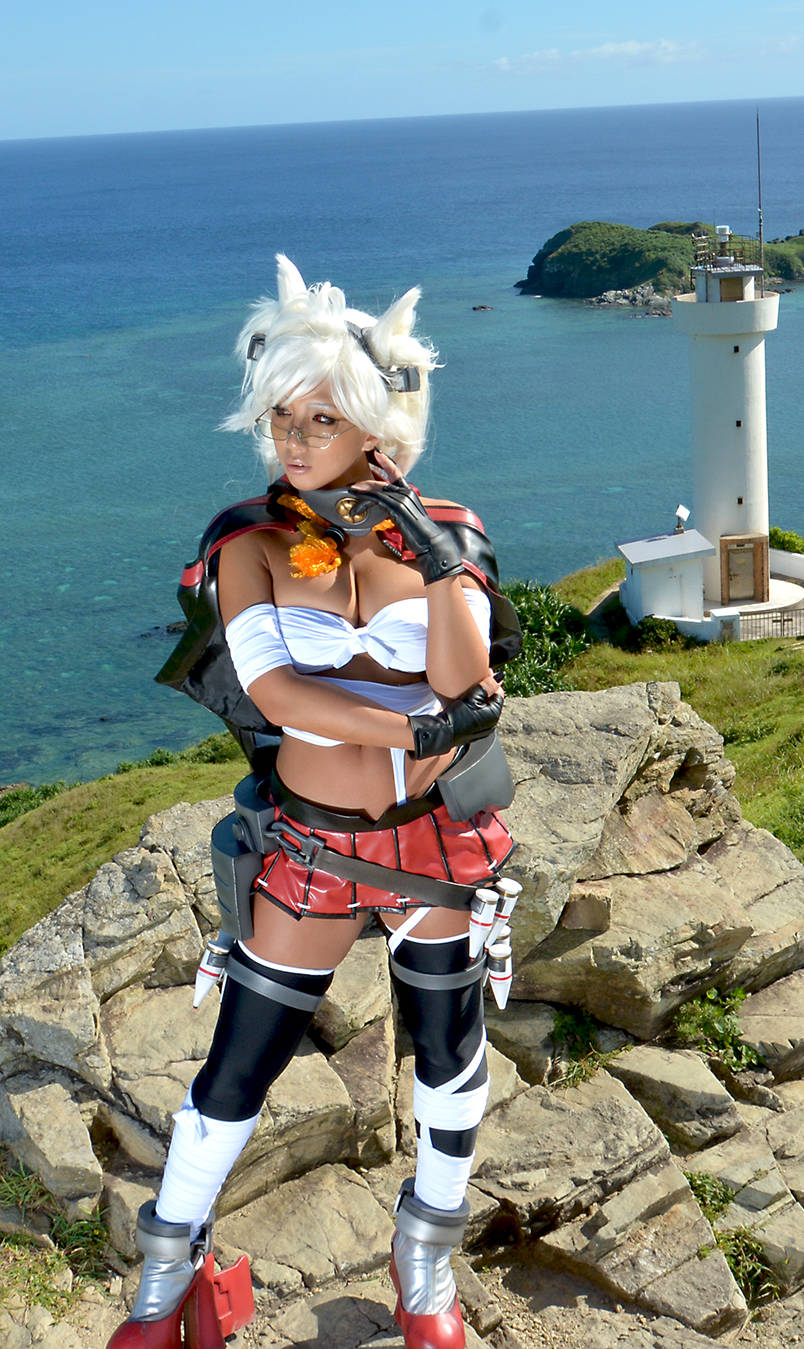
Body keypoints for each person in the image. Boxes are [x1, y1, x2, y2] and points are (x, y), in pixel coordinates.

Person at [109, 256, 519, 1349]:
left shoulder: (449, 533)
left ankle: (425, 1268)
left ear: (380, 420)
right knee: (240, 1060)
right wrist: (409, 731)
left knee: (449, 1050)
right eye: (281, 416)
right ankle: (164, 1279)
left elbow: (465, 681)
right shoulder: (248, 543)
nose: (293, 439)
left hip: (436, 842)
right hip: (313, 844)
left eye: (321, 417)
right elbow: (277, 692)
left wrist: (439, 566)